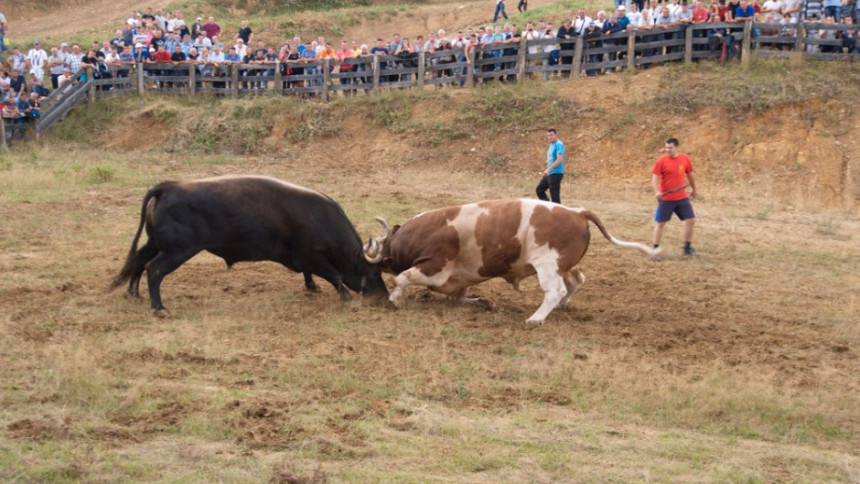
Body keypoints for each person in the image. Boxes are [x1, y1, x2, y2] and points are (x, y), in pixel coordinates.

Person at [651, 138, 698, 261]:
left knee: (691, 220)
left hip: (681, 197)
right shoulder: (661, 161)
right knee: (660, 223)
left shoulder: (685, 159)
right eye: (666, 147)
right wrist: (657, 191)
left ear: (677, 147)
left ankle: (687, 248)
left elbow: (690, 175)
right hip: (666, 198)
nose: (668, 150)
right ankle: (655, 250)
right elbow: (655, 177)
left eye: (670, 148)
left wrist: (694, 189)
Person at [536, 128, 566, 204]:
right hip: (550, 173)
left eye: (551, 135)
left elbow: (559, 160)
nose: (550, 137)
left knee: (555, 197)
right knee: (539, 190)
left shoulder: (559, 144)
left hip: (556, 173)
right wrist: (546, 172)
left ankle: (557, 214)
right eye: (548, 135)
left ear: (556, 135)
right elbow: (551, 160)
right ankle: (548, 207)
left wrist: (549, 169)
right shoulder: (551, 145)